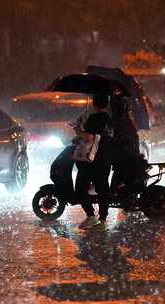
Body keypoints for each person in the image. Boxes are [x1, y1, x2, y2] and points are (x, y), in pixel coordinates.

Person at [74, 93, 114, 229]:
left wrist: (77, 129)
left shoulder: (94, 118)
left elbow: (89, 137)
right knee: (103, 187)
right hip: (106, 156)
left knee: (80, 187)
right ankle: (103, 219)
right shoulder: (109, 119)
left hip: (92, 158)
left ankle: (91, 216)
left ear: (94, 103)